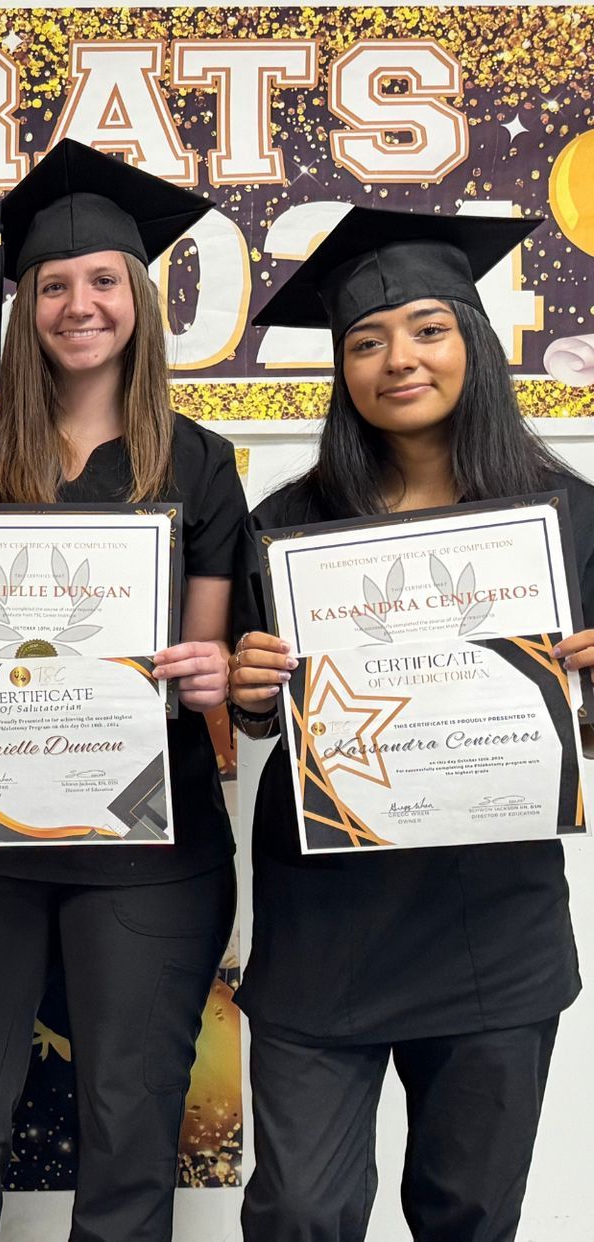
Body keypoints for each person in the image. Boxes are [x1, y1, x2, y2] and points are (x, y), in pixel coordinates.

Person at [0, 140, 245, 1241]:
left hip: (144, 840)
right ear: (24, 309)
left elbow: (202, 678)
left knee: (128, 1116)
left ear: (141, 299)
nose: (79, 303)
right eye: (53, 285)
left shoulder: (201, 465)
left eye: (104, 281)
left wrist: (208, 675)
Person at [229, 208, 584, 1242]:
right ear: (341, 368)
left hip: (493, 929)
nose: (398, 359)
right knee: (300, 1210)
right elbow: (257, 724)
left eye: (428, 329)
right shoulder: (286, 528)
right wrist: (254, 694)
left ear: (473, 339)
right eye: (366, 341)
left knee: (469, 1213)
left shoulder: (567, 516)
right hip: (323, 925)